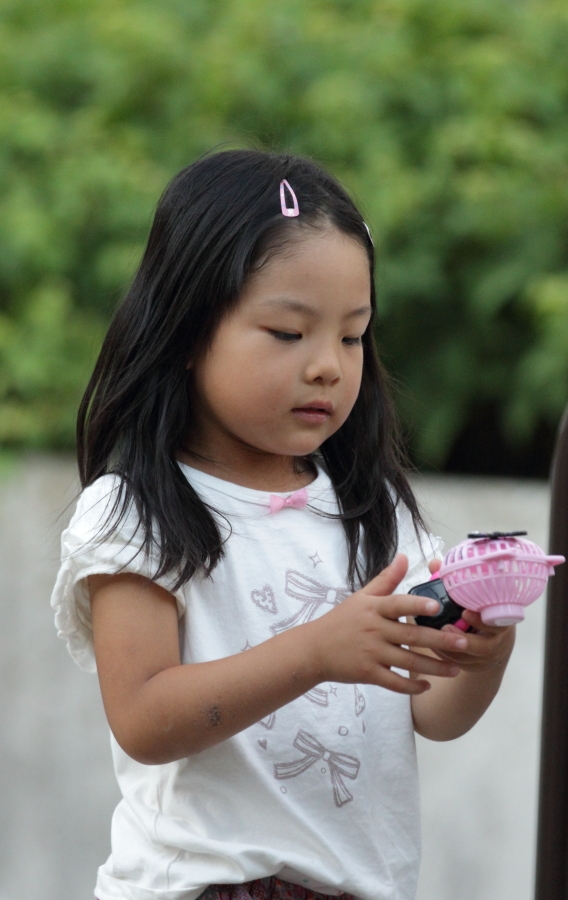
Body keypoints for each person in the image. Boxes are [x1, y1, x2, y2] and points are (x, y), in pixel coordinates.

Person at [51, 150, 515, 900]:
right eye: (288, 332)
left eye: (352, 336)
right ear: (187, 330)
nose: (328, 365)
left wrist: (482, 653)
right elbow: (143, 717)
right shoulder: (138, 509)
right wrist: (316, 652)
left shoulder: (372, 507)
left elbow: (430, 710)